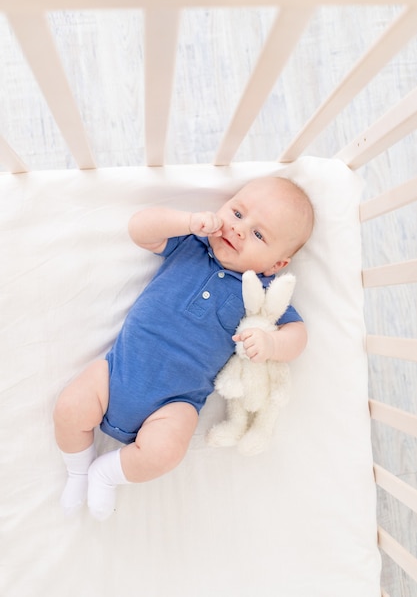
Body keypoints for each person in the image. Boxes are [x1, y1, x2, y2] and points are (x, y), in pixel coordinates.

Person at [53, 176, 314, 520]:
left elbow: (298, 334)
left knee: (165, 453)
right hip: (116, 372)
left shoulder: (260, 291)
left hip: (173, 404)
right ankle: (78, 469)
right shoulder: (191, 245)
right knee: (69, 409)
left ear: (276, 265)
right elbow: (140, 228)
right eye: (237, 213)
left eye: (258, 234)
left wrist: (272, 343)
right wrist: (187, 222)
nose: (238, 230)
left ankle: (106, 472)